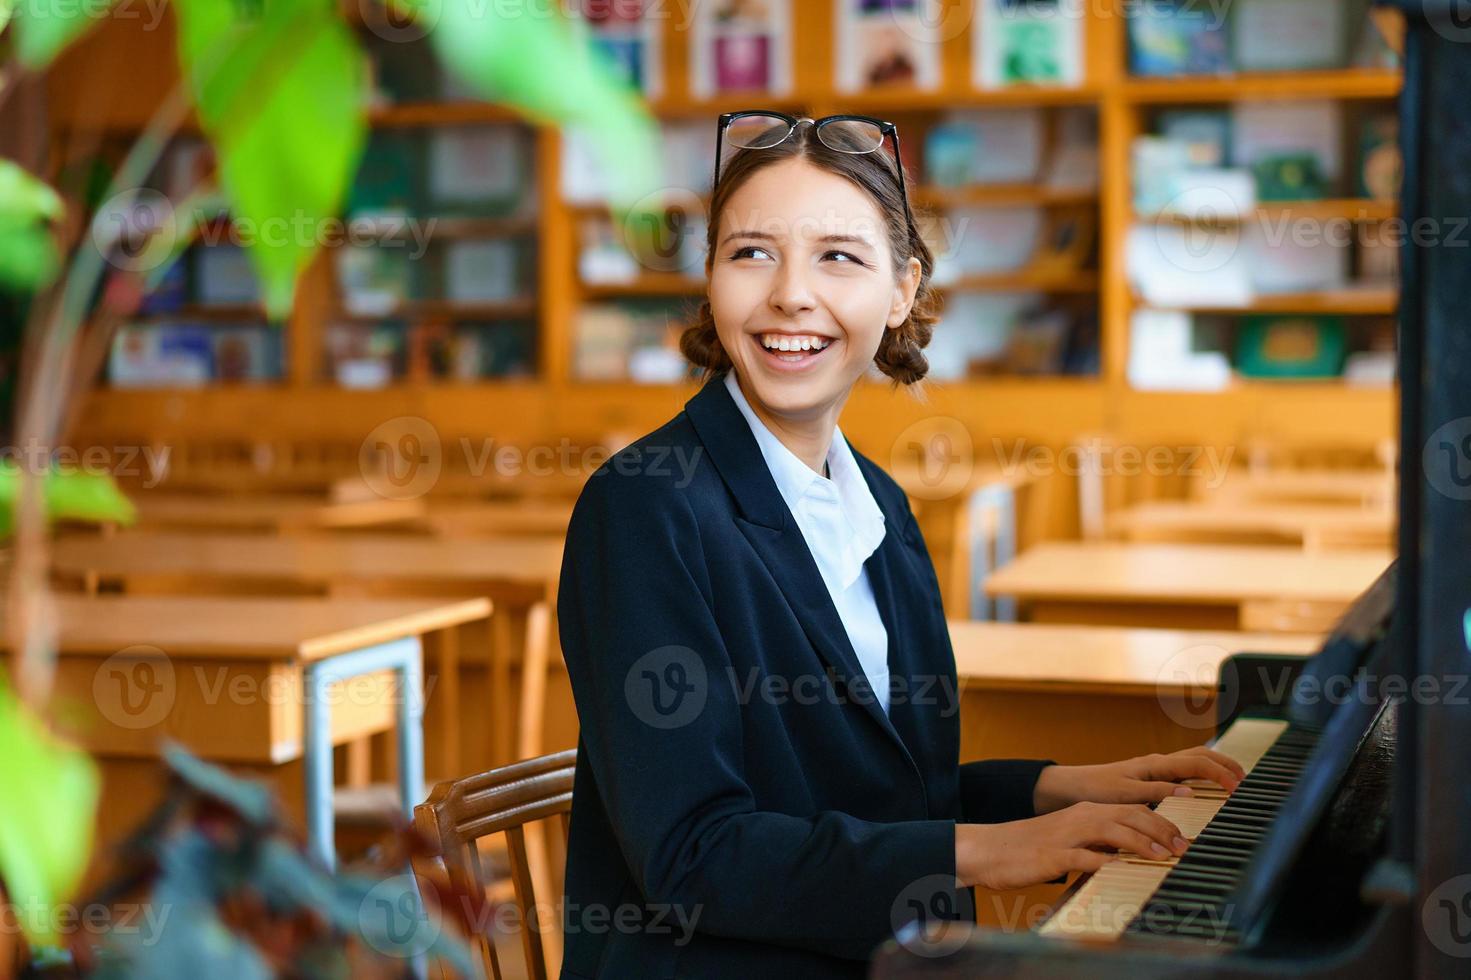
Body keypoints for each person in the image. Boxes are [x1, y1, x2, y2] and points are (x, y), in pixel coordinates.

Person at [554, 112, 1246, 979]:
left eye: (837, 256)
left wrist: (1051, 788)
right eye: (751, 253)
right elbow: (696, 855)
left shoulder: (877, 499)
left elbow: (875, 797)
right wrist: (996, 853)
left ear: (900, 291)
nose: (790, 295)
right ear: (711, 280)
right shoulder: (642, 508)